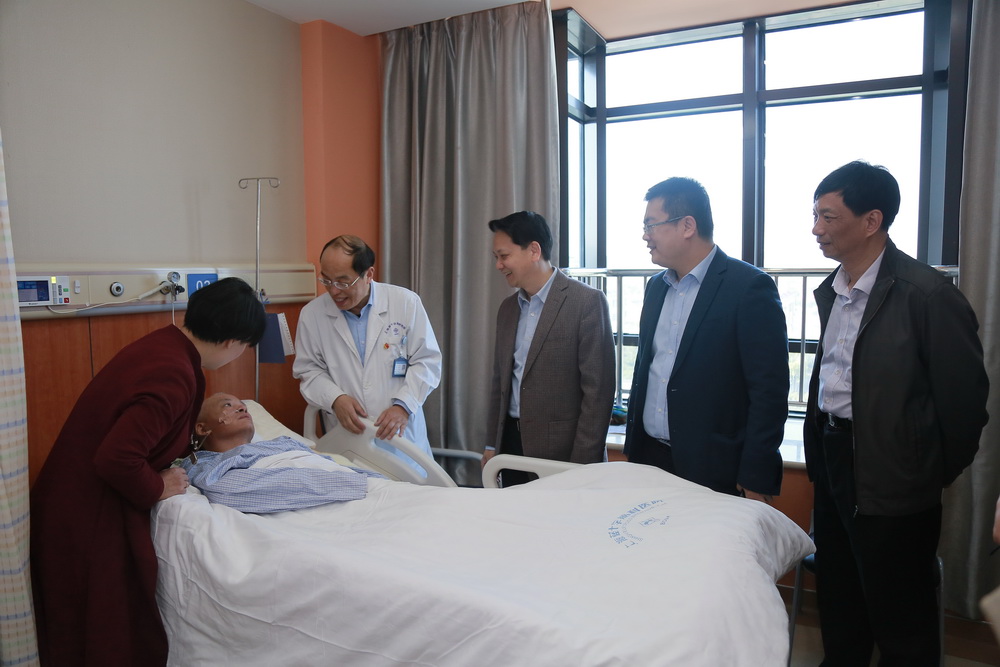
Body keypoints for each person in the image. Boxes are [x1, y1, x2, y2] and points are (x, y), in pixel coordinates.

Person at [804, 160, 989, 665]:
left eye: (828, 217)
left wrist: (922, 472)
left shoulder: (927, 295)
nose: (816, 229)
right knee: (840, 593)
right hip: (835, 457)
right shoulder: (834, 289)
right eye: (815, 216)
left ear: (872, 221)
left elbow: (964, 407)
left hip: (896, 476)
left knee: (901, 613)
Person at [30, 277, 267, 667]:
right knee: (102, 635)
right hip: (85, 514)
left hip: (69, 498)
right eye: (245, 346)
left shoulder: (164, 346)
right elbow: (117, 459)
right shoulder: (173, 374)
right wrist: (158, 485)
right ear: (231, 342)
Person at [623, 177, 789, 500]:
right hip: (650, 460)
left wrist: (755, 475)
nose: (645, 235)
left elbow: (769, 392)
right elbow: (646, 367)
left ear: (687, 226)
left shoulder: (748, 287)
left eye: (651, 225)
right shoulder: (656, 287)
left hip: (715, 467)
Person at [484, 211, 616, 486]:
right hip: (510, 447)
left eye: (504, 256)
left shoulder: (586, 303)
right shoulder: (508, 309)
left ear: (534, 250)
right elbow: (500, 383)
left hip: (563, 452)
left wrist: (582, 465)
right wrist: (491, 445)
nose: (498, 265)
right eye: (496, 257)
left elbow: (598, 393)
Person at [293, 235, 442, 471]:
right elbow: (308, 370)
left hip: (402, 440)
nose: (334, 291)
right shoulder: (312, 315)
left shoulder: (405, 302)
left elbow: (428, 361)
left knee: (408, 489)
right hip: (348, 440)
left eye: (343, 282)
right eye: (326, 280)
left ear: (369, 274)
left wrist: (403, 405)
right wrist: (335, 398)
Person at [180, 393, 385, 512]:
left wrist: (377, 482)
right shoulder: (203, 463)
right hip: (334, 494)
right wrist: (352, 484)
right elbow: (232, 490)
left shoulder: (282, 443)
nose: (243, 409)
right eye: (228, 405)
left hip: (356, 487)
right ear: (202, 428)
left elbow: (327, 464)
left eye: (244, 407)